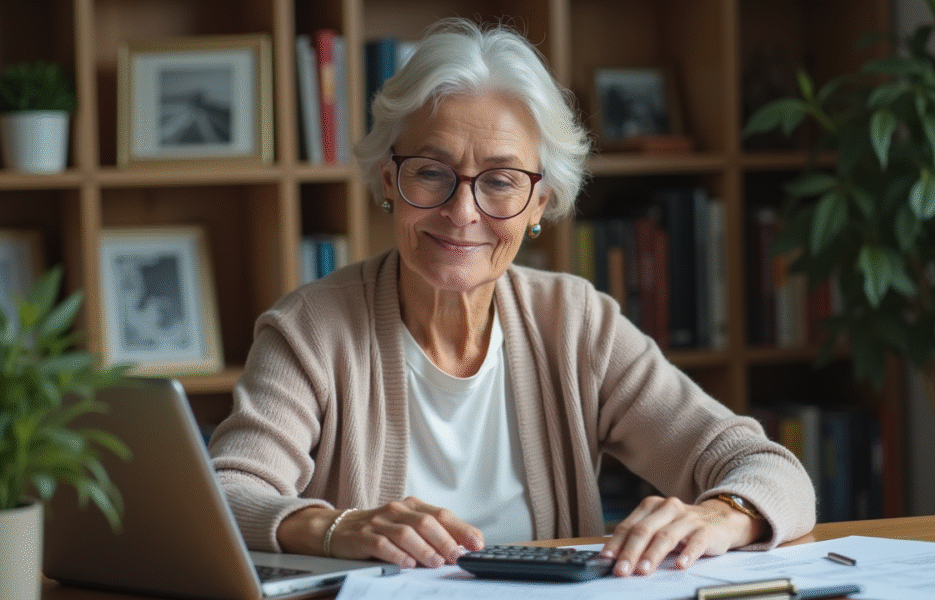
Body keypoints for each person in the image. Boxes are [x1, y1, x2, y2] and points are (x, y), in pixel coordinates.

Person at [208, 18, 815, 578]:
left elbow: (771, 471)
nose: (461, 212)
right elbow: (226, 495)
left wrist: (721, 515)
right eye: (430, 171)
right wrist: (335, 526)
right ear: (389, 181)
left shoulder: (576, 323)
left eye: (500, 181)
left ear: (539, 205)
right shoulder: (311, 328)